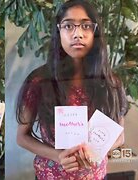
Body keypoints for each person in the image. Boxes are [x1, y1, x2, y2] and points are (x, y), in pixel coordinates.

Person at [16, 0, 128, 179]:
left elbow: (120, 137)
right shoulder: (39, 81)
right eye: (69, 26)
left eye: (86, 26)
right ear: (58, 31)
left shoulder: (110, 82)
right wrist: (59, 156)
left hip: (95, 176)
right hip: (50, 175)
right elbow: (22, 137)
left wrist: (93, 151)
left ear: (95, 32)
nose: (78, 34)